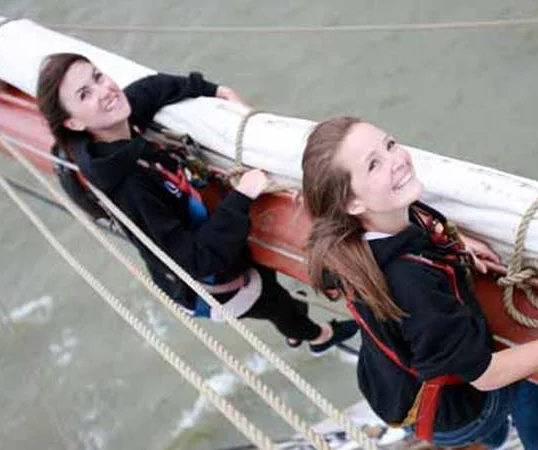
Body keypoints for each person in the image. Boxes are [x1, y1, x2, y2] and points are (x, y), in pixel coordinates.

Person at [301, 116, 538, 449]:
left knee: (492, 429)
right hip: (454, 414)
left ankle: (493, 439)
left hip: (393, 390)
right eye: (374, 165)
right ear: (352, 203)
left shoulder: (345, 240)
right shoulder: (410, 286)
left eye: (390, 144)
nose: (396, 161)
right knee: (524, 378)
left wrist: (453, 239)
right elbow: (487, 375)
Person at [35, 53, 357, 355]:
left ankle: (293, 323)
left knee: (269, 280)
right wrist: (242, 197)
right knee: (276, 303)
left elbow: (153, 88)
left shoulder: (116, 125)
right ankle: (315, 336)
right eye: (84, 95)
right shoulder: (130, 188)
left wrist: (215, 90)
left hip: (211, 235)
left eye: (98, 76)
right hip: (214, 283)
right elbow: (196, 260)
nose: (105, 90)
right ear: (74, 124)